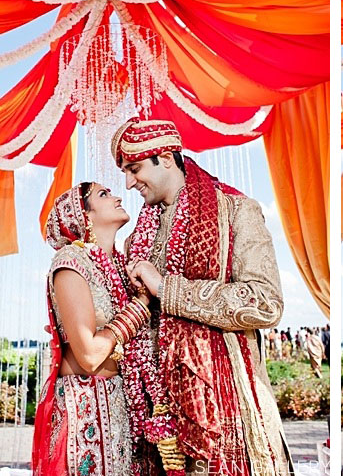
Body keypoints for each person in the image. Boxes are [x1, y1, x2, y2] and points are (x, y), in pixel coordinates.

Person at [111, 118, 292, 475]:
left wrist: (167, 289)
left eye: (134, 168)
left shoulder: (236, 210)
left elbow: (266, 302)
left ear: (165, 158)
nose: (129, 183)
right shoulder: (137, 238)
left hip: (224, 409)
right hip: (154, 416)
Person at [32, 183, 159, 475]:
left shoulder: (123, 267)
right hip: (84, 408)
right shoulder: (71, 262)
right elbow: (89, 355)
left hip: (121, 406)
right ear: (83, 215)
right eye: (103, 194)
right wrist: (141, 305)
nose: (117, 196)